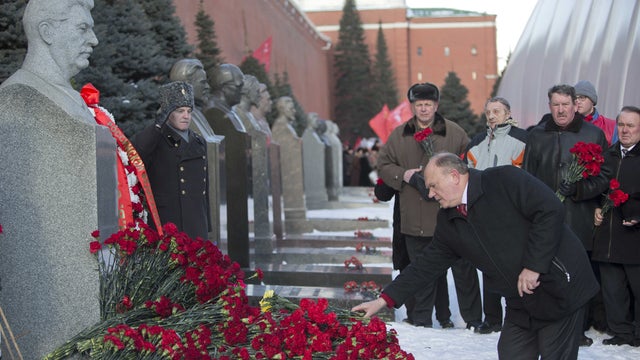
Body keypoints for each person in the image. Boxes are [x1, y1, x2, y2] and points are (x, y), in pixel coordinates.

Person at [353, 153, 599, 360]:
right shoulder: (449, 221)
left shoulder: (504, 179)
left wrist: (534, 266)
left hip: (559, 286)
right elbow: (425, 265)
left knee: (553, 353)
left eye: (432, 185)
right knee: (512, 353)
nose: (430, 194)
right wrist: (384, 300)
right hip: (520, 300)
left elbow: (550, 210)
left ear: (454, 176)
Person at [377, 82, 482, 329]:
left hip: (449, 214)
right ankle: (421, 318)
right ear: (413, 107)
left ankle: (471, 319)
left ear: (436, 105)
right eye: (419, 105)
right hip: (415, 215)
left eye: (428, 104)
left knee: (462, 270)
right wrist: (404, 175)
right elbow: (384, 165)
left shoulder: (454, 133)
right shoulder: (400, 134)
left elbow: (470, 164)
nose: (424, 109)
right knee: (420, 271)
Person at [522, 84, 610, 346]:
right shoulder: (537, 136)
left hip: (579, 217)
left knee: (578, 275)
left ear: (575, 105)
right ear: (549, 107)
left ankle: (577, 328)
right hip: (546, 219)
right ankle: (549, 325)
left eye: (565, 104)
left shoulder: (593, 134)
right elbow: (527, 177)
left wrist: (580, 189)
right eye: (555, 105)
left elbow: (605, 175)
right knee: (548, 274)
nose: (560, 110)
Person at [464, 97, 528, 335]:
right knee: (487, 265)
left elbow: (527, 176)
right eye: (488, 111)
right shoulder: (477, 142)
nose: (491, 116)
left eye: (497, 111)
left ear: (508, 113)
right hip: (483, 214)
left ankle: (518, 316)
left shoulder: (522, 139)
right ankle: (492, 319)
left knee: (515, 265)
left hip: (512, 214)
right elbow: (467, 175)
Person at [133, 81, 210, 240]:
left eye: (189, 111)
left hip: (195, 222)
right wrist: (156, 126)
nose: (186, 116)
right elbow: (136, 155)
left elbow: (204, 191)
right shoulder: (156, 139)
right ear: (167, 113)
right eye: (180, 111)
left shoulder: (198, 142)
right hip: (168, 221)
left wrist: (206, 223)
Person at [1, 0, 99, 124]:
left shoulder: (71, 96)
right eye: (83, 28)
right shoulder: (18, 97)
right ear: (47, 32)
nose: (94, 40)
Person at [592, 106, 640, 347]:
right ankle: (620, 331)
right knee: (613, 290)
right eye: (621, 124)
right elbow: (597, 190)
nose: (625, 130)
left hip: (635, 237)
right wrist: (597, 207)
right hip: (609, 236)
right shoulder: (608, 155)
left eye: (631, 125)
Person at [575, 80, 618, 145]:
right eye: (575, 98)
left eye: (582, 97)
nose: (577, 101)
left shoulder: (611, 126)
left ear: (592, 100)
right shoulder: (567, 124)